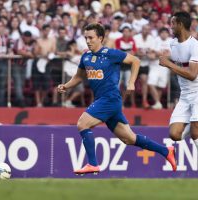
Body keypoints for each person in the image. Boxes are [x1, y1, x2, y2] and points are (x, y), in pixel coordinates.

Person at [58, 23, 176, 175]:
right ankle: (166, 151)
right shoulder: (86, 56)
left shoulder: (111, 53)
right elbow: (79, 77)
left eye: (91, 37)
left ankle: (93, 164)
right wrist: (66, 86)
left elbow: (135, 61)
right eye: (86, 37)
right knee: (129, 138)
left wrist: (131, 82)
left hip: (110, 99)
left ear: (100, 38)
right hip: (103, 101)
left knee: (82, 124)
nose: (88, 41)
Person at [159, 11, 198, 150]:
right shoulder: (173, 44)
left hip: (197, 93)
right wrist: (168, 61)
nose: (171, 27)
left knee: (195, 133)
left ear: (180, 25)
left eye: (173, 23)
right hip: (185, 96)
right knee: (174, 134)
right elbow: (179, 66)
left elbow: (192, 74)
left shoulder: (195, 46)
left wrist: (168, 64)